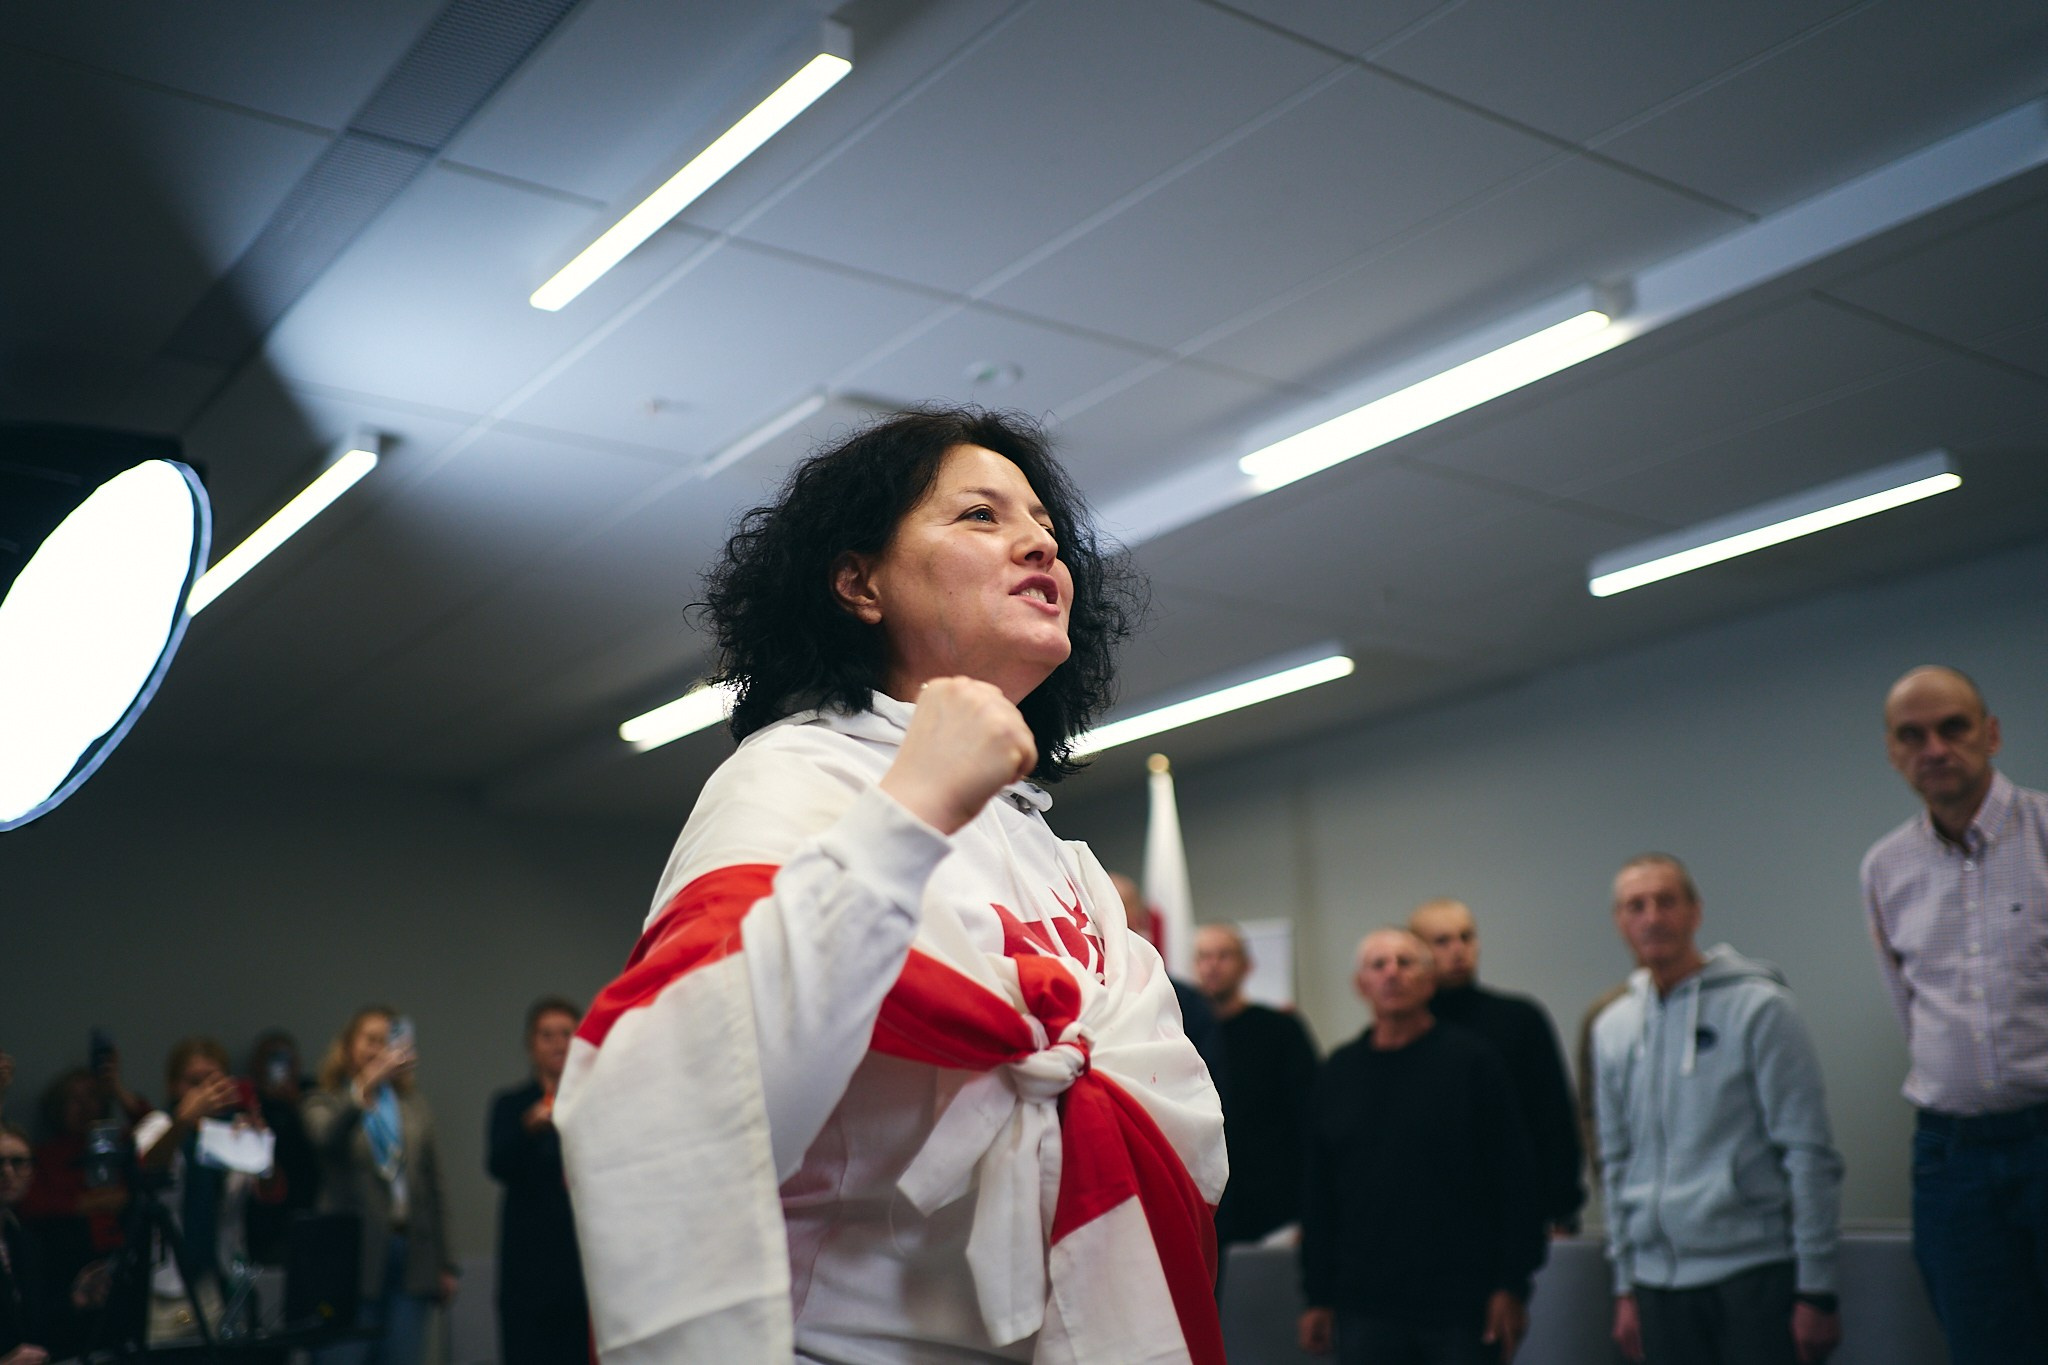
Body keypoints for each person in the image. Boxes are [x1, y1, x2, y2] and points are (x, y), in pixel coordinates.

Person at [554, 408, 1227, 1365]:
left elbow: (1169, 1109)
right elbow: (693, 1082)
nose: (1041, 543)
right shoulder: (791, 780)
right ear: (859, 583)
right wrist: (911, 809)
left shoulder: (1061, 857)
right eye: (981, 515)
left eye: (1044, 524)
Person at [1860, 665, 2048, 1363]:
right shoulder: (1885, 868)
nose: (1934, 748)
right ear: (1893, 752)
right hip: (1952, 1156)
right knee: (1983, 1346)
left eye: (1953, 727)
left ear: (1990, 734)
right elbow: (1909, 1007)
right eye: (1912, 735)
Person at [1592, 854, 1843, 1365]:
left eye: (1666, 901)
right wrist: (1624, 1286)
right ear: (1619, 921)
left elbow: (1808, 1150)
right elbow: (1615, 1162)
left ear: (1695, 912)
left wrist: (1817, 1289)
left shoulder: (1760, 1008)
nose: (1652, 917)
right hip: (1656, 1284)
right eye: (1636, 906)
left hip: (1753, 1274)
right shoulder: (1612, 1028)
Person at [1299, 928, 1542, 1365]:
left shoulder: (1473, 1063)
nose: (1392, 973)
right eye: (1379, 964)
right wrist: (1317, 1295)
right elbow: (1319, 1193)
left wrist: (1511, 1284)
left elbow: (1515, 1178)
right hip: (1364, 1303)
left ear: (1430, 982)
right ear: (1361, 985)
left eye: (1406, 962)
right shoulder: (1339, 1072)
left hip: (1462, 1303)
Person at [1408, 899, 1585, 1235]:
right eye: (1442, 941)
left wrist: (1561, 1209)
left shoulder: (1519, 1019)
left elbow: (1554, 1119)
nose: (1458, 950)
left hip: (1518, 1212)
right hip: (1430, 1218)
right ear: (1418, 952)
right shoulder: (1407, 1033)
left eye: (1466, 937)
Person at [303, 1008, 457, 1365]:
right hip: (350, 1260)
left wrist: (446, 1262)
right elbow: (326, 1137)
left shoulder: (413, 1106)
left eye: (388, 1041)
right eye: (371, 1040)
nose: (379, 1049)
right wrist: (364, 1088)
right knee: (343, 1356)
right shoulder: (323, 1099)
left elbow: (435, 1186)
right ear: (348, 1047)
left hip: (411, 1255)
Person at [1191, 922, 1317, 1245]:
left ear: (1247, 965)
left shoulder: (1280, 1030)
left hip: (1274, 1206)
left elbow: (1310, 1118)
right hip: (1207, 1204)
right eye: (1204, 956)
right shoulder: (1182, 1037)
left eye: (1224, 955)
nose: (1213, 965)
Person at [487, 998, 588, 1365]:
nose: (558, 1044)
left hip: (582, 1267)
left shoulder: (593, 1102)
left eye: (566, 1034)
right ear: (531, 1045)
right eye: (547, 1035)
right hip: (527, 1271)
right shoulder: (510, 1104)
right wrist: (527, 1130)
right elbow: (497, 1165)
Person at [1110, 870, 1226, 1084]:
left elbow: (1205, 1081)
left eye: (1115, 907)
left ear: (1140, 920)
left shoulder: (1185, 1002)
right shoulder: (1070, 991)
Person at [243, 1030, 319, 1265]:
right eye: (271, 1058)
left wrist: (296, 1103)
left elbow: (324, 1140)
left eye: (285, 1059)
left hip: (309, 1208)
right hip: (261, 1219)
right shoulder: (247, 1101)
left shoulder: (311, 1095)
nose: (279, 1066)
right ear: (257, 1065)